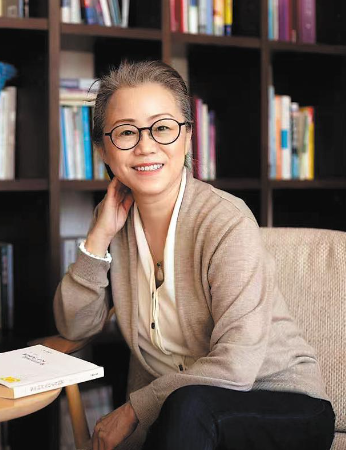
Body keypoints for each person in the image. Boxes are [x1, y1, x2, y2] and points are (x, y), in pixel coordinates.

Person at [53, 60, 335, 450]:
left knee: (188, 408)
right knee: (184, 411)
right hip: (182, 418)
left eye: (163, 128)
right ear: (103, 150)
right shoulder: (115, 223)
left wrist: (135, 410)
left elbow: (237, 366)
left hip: (281, 404)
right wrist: (98, 238)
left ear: (187, 137)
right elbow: (74, 327)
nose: (146, 145)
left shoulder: (225, 222)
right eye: (126, 132)